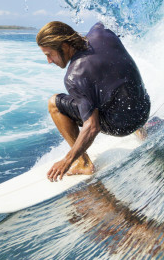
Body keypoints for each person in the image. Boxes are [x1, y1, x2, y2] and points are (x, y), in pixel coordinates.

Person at [37, 21, 150, 181]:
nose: (49, 60)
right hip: (143, 109)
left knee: (54, 103)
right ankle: (142, 130)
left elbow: (92, 126)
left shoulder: (74, 76)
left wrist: (67, 160)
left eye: (49, 54)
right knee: (110, 77)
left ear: (63, 47)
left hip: (123, 126)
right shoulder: (101, 31)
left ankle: (83, 163)